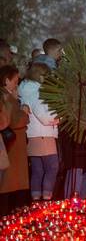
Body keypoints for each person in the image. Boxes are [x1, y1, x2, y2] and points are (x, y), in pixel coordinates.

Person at [18, 63, 59, 200]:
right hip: (43, 134)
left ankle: (36, 201)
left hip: (33, 135)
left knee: (38, 170)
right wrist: (59, 118)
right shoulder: (37, 92)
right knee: (52, 167)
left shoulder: (25, 90)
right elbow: (45, 117)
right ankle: (46, 199)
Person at [0, 65, 30, 215]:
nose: (17, 83)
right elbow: (13, 120)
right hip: (12, 145)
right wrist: (24, 111)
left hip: (15, 144)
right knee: (9, 182)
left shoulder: (8, 96)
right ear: (6, 80)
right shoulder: (5, 97)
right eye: (15, 80)